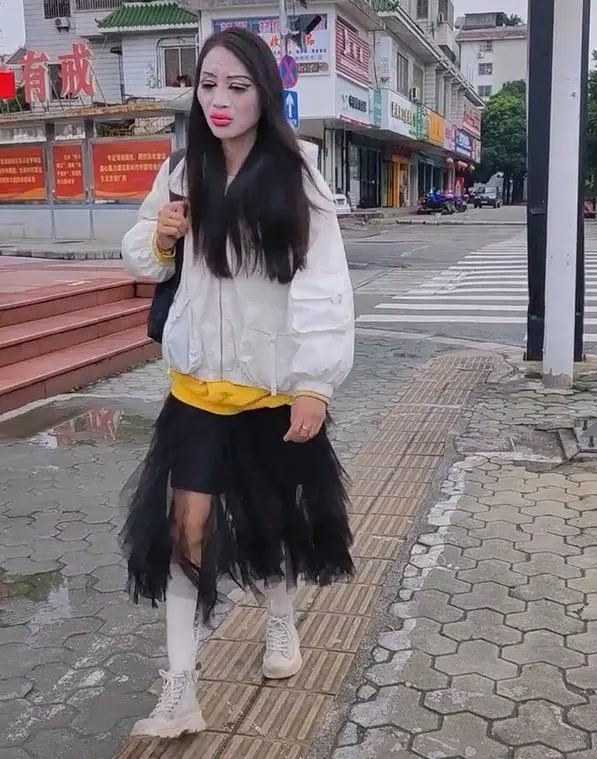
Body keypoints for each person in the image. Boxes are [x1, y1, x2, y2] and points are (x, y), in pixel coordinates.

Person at [119, 27, 355, 739]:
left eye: (237, 86)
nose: (219, 100)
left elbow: (324, 285)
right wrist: (160, 236)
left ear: (265, 94)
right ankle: (180, 690)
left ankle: (281, 621)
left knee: (270, 523)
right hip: (196, 391)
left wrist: (314, 383)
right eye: (208, 85)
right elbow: (141, 256)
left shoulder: (298, 173)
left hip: (270, 392)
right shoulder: (181, 169)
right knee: (185, 532)